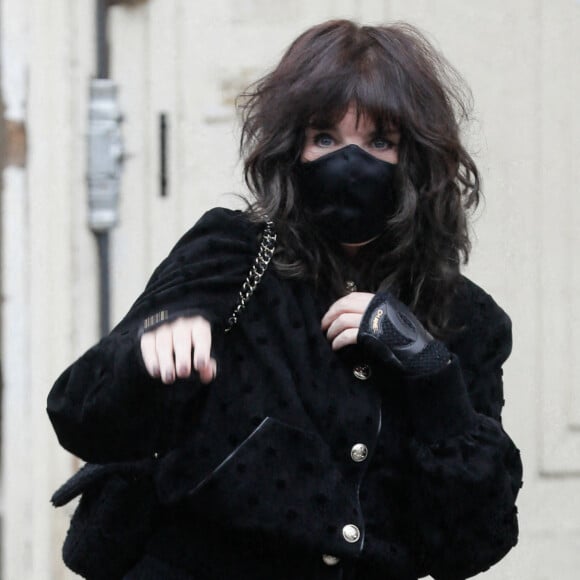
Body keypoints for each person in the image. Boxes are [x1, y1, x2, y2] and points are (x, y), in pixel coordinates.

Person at [47, 19, 523, 580]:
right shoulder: (234, 254)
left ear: (417, 159)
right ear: (291, 148)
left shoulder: (464, 318)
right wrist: (152, 350)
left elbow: (473, 544)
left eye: (379, 142)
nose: (350, 165)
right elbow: (79, 413)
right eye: (324, 138)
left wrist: (430, 374)